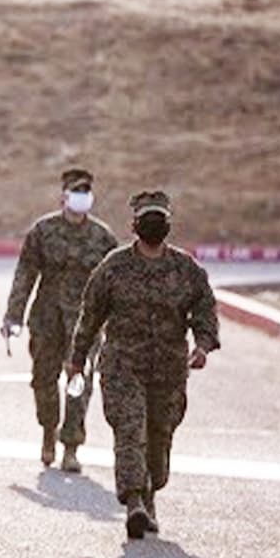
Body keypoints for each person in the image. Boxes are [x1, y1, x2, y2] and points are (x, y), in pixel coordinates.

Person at [68, 190, 219, 540]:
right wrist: (78, 359)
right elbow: (90, 315)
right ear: (134, 225)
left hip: (168, 371)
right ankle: (134, 501)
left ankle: (150, 493)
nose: (154, 223)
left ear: (168, 225)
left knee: (159, 437)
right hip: (123, 366)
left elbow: (205, 309)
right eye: (147, 217)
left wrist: (203, 345)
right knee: (130, 430)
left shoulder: (186, 269)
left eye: (159, 217)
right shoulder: (114, 266)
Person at [2, 168, 119, 471]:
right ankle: (47, 432)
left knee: (79, 380)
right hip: (47, 318)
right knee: (43, 379)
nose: (81, 198)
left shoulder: (103, 237)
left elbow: (115, 284)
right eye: (76, 192)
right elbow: (25, 274)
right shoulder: (43, 231)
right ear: (64, 197)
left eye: (86, 192)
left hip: (86, 323)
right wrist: (13, 315)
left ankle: (71, 445)